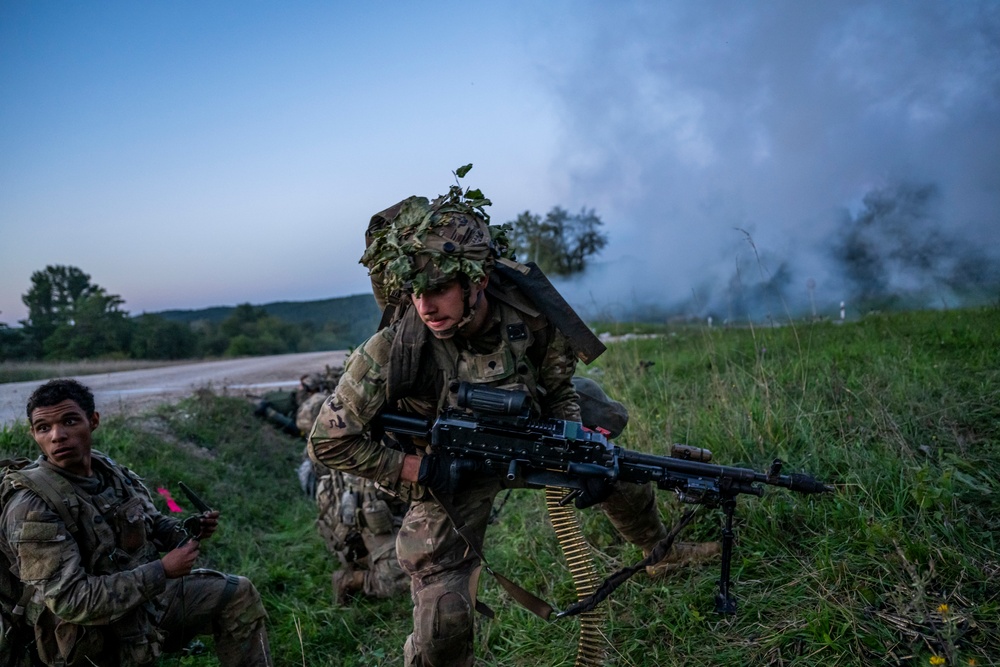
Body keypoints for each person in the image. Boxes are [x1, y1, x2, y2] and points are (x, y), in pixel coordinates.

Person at [308, 173, 714, 667]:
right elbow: (326, 443)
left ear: (476, 281)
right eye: (415, 291)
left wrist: (573, 445)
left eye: (438, 289)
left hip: (527, 433)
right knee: (444, 619)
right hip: (447, 467)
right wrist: (420, 471)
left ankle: (659, 552)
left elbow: (561, 389)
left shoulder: (534, 315)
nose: (425, 305)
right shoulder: (396, 346)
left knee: (608, 458)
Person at [0, 379, 272, 666]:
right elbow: (71, 601)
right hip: (80, 636)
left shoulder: (109, 471)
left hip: (139, 603)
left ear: (93, 421)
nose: (57, 435)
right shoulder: (32, 504)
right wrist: (162, 571)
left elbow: (149, 523)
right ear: (33, 434)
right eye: (44, 428)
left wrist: (188, 530)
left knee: (236, 593)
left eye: (69, 421)